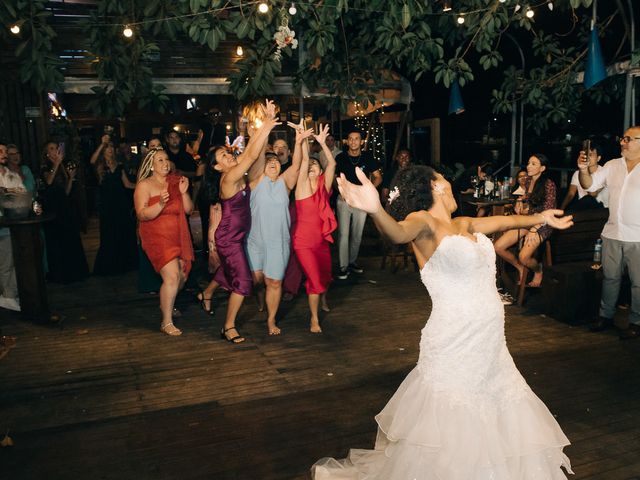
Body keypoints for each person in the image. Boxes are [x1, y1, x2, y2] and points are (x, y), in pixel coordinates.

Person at [312, 165, 574, 479]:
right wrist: (375, 209)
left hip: (489, 341)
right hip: (455, 340)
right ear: (435, 185)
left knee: (494, 402)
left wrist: (541, 218)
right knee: (454, 414)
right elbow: (397, 233)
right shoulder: (422, 222)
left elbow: (508, 220)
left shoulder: (463, 223)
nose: (450, 181)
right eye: (444, 177)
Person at [197, 99, 280, 344]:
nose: (230, 155)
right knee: (243, 281)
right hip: (229, 239)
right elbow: (252, 154)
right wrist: (265, 125)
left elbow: (255, 154)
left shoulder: (237, 174)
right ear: (216, 166)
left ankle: (207, 292)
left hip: (240, 235)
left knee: (231, 270)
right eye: (224, 155)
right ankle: (228, 327)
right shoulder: (229, 178)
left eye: (228, 152)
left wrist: (262, 131)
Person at [246, 124, 309, 335]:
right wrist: (263, 132)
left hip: (278, 243)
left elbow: (298, 163)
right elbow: (255, 158)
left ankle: (271, 320)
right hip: (255, 241)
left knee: (274, 282)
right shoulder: (255, 182)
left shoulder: (284, 183)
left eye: (276, 161)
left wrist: (299, 142)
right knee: (252, 280)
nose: (273, 163)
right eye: (268, 161)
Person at [579, 127, 640, 340]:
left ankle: (636, 321)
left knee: (638, 283)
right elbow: (590, 186)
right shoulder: (613, 165)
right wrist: (584, 170)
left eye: (628, 139)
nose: (622, 142)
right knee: (610, 278)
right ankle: (606, 317)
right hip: (612, 232)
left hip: (638, 237)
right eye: (622, 138)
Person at [134, 147, 194, 336]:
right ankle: (166, 321)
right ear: (151, 166)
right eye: (160, 160)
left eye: (166, 159)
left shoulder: (175, 182)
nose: (165, 163)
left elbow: (188, 210)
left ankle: (167, 304)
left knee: (182, 276)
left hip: (177, 234)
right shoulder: (144, 185)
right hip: (156, 235)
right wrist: (159, 204)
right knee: (172, 276)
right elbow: (142, 214)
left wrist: (184, 193)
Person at [292, 124, 337, 333]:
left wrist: (321, 143)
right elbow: (302, 162)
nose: (311, 166)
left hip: (321, 242)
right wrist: (301, 142)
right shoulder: (301, 188)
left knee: (325, 275)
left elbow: (332, 163)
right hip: (303, 243)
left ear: (320, 171)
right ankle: (314, 319)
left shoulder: (324, 188)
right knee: (315, 280)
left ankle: (323, 299)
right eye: (309, 165)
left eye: (315, 165)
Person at [493, 154, 557, 288]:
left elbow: (548, 211)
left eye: (534, 164)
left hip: (544, 224)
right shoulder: (528, 181)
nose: (529, 166)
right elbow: (527, 196)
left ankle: (538, 270)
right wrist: (520, 200)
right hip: (528, 220)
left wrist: (534, 229)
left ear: (543, 168)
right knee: (498, 247)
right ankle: (520, 268)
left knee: (524, 257)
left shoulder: (549, 184)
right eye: (528, 163)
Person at [335, 129, 382, 279]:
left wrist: (368, 191)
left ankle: (352, 261)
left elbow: (378, 177)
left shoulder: (367, 157)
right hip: (344, 199)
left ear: (361, 142)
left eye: (357, 139)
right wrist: (342, 192)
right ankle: (343, 267)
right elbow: (334, 179)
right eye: (351, 138)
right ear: (347, 141)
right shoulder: (340, 157)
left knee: (357, 234)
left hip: (361, 201)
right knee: (343, 234)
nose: (353, 141)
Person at [40, 141, 89, 283]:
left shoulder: (60, 167)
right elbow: (49, 181)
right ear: (47, 153)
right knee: (57, 240)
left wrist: (71, 177)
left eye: (56, 148)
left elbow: (66, 191)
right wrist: (57, 163)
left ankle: (74, 272)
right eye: (52, 149)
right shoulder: (45, 167)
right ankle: (59, 274)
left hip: (64, 206)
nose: (55, 151)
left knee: (70, 237)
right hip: (52, 208)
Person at [90, 139, 138, 275]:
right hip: (107, 206)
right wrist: (101, 144)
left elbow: (127, 184)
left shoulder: (120, 165)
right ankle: (110, 266)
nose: (110, 149)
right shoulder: (99, 166)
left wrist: (142, 184)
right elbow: (92, 161)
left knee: (125, 232)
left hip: (121, 203)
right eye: (107, 147)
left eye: (111, 147)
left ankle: (126, 264)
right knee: (109, 234)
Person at [0, 142, 24, 312]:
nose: (5, 154)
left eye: (4, 151)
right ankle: (7, 296)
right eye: (0, 151)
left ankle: (10, 295)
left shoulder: (11, 174)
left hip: (12, 224)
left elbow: (22, 193)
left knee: (13, 260)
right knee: (5, 262)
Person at [560, 141, 608, 211]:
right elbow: (571, 194)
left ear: (598, 158)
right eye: (586, 154)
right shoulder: (577, 173)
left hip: (601, 209)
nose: (587, 157)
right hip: (583, 209)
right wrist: (562, 208)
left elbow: (593, 194)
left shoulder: (605, 171)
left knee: (588, 199)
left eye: (591, 155)